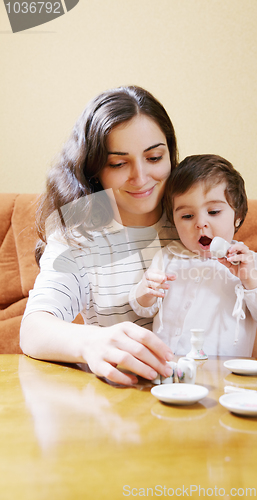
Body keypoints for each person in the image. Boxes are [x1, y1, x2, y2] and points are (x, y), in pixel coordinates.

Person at [20, 85, 180, 385]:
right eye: (119, 163)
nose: (142, 177)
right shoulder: (79, 237)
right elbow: (33, 329)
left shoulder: (195, 219)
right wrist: (92, 342)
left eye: (155, 158)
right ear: (94, 170)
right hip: (123, 403)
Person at [129, 154, 257, 356]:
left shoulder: (248, 263)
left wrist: (250, 278)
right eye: (187, 216)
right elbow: (142, 310)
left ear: (237, 217)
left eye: (213, 212)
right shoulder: (168, 257)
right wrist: (146, 292)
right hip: (169, 367)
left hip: (226, 373)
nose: (200, 223)